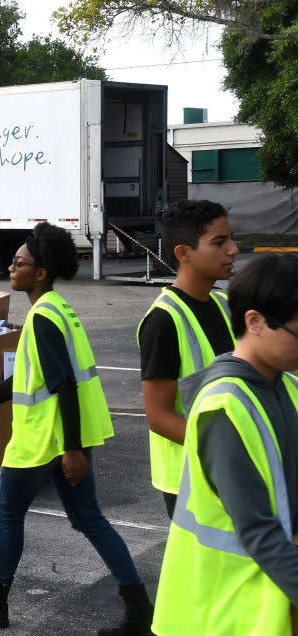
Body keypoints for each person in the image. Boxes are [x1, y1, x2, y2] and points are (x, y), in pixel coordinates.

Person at [0, 222, 151, 636]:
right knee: (88, 518)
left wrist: (71, 449)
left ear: (39, 273)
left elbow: (64, 386)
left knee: (8, 511)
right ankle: (138, 607)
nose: (10, 267)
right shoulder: (55, 309)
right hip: (63, 437)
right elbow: (25, 380)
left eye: (19, 263)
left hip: (45, 440)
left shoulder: (43, 319)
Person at [152, 253, 298, 635]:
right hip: (224, 613)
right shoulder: (225, 409)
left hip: (265, 604)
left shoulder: (287, 387)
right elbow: (259, 531)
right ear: (256, 322)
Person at [137, 200, 238, 518]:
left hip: (234, 475)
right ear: (184, 253)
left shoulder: (224, 303)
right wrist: (227, 452)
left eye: (231, 239)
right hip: (190, 481)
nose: (233, 250)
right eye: (220, 243)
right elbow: (159, 416)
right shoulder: (163, 320)